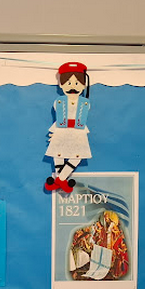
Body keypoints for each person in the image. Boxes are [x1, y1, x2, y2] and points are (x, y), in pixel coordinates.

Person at [45, 62, 92, 194]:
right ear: (61, 84)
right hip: (62, 129)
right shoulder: (59, 102)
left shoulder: (85, 103)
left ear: (83, 85)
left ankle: (60, 179)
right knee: (58, 153)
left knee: (77, 156)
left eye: (77, 83)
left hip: (78, 131)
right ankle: (63, 181)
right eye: (68, 83)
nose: (72, 87)